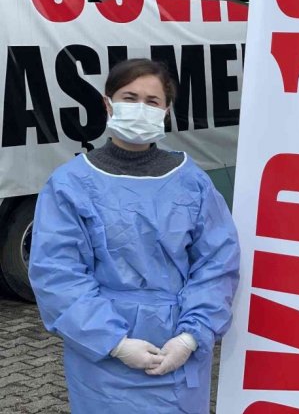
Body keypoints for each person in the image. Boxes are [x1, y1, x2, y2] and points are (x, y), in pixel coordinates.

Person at [29, 59, 240, 414]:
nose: (140, 108)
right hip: (103, 361)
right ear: (108, 103)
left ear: (166, 112)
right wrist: (114, 342)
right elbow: (58, 274)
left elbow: (217, 263)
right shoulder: (70, 184)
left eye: (152, 101)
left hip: (178, 354)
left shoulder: (191, 182)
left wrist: (191, 336)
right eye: (130, 98)